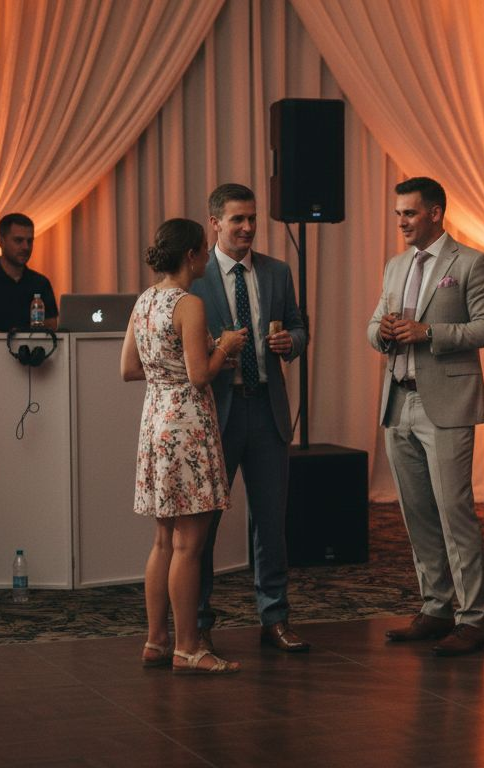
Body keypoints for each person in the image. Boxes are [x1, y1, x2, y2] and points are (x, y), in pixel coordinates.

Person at [367, 177, 484, 655]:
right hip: (398, 399)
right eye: (398, 213)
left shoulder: (470, 262)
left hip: (445, 403)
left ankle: (471, 620)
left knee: (454, 511)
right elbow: (373, 324)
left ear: (436, 213)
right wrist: (381, 332)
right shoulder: (396, 264)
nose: (401, 222)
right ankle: (435, 606)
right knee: (417, 513)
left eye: (409, 213)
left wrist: (429, 331)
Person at [187, 183, 310, 653]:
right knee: (205, 526)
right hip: (216, 413)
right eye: (237, 219)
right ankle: (197, 621)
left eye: (252, 219)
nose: (247, 228)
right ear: (214, 222)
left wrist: (291, 343)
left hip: (267, 409)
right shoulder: (195, 278)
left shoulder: (277, 272)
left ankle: (274, 617)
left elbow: (299, 326)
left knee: (270, 521)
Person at [122, 218, 248, 674]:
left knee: (162, 540)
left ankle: (156, 641)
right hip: (188, 425)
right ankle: (189, 648)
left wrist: (169, 368)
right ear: (193, 255)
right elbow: (200, 374)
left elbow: (129, 368)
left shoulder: (145, 301)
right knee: (189, 547)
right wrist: (226, 345)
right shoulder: (188, 304)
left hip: (155, 421)